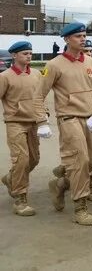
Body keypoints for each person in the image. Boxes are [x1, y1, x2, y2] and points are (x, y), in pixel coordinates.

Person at [34, 22, 92, 226]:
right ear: (67, 39)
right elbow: (38, 95)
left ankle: (60, 184)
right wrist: (42, 120)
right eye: (77, 36)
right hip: (69, 118)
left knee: (90, 162)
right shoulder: (54, 65)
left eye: (84, 35)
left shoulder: (91, 63)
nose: (82, 39)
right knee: (80, 161)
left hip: (89, 119)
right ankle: (80, 207)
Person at [1, 41, 49, 216]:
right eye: (24, 53)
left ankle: (11, 178)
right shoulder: (5, 76)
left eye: (30, 53)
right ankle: (20, 199)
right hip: (15, 123)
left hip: (34, 123)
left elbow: (40, 98)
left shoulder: (36, 74)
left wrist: (45, 114)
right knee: (21, 160)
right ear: (14, 56)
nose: (29, 56)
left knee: (33, 159)